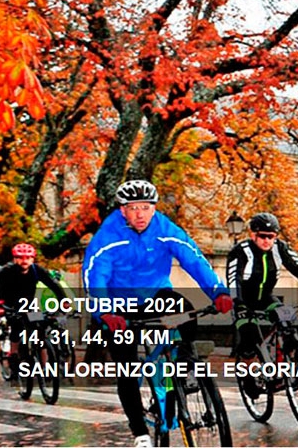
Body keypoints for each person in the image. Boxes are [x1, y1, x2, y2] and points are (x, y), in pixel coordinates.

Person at [82, 179, 233, 448]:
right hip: (118, 306)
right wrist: (105, 312)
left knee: (185, 308)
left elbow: (193, 259)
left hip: (155, 295)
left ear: (154, 208)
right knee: (127, 368)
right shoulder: (108, 236)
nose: (140, 214)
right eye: (133, 208)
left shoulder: (164, 228)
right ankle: (140, 433)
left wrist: (218, 292)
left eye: (146, 207)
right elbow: (95, 275)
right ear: (122, 209)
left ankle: (184, 362)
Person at [226, 213, 298, 369]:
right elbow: (233, 279)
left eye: (271, 237)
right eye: (263, 236)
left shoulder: (280, 248)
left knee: (287, 324)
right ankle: (248, 371)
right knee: (250, 338)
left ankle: (288, 363)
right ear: (253, 235)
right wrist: (238, 303)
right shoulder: (241, 251)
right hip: (244, 301)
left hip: (266, 298)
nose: (267, 241)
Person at [0, 243, 68, 380]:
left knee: (40, 330)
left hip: (29, 305)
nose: (24, 261)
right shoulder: (6, 272)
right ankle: (13, 359)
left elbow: (53, 284)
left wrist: (63, 300)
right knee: (16, 329)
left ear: (32, 259)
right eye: (20, 257)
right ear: (15, 259)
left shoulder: (37, 270)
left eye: (28, 258)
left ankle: (44, 366)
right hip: (10, 305)